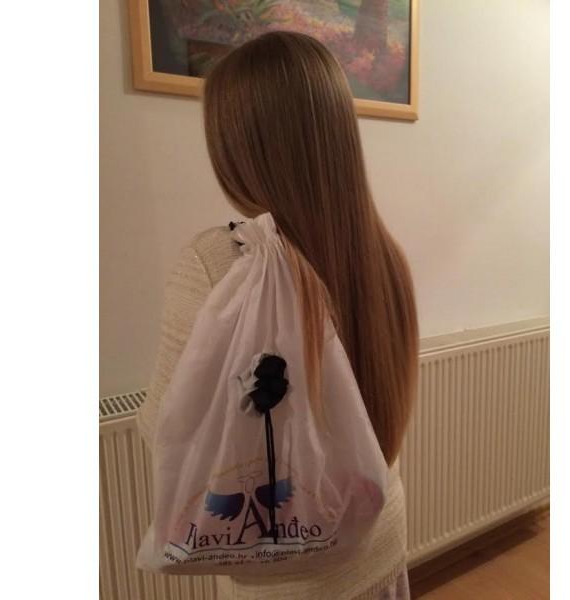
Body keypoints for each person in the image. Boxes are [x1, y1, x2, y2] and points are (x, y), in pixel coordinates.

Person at [136, 30, 419, 600]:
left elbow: (166, 427)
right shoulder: (385, 255)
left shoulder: (218, 262)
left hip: (292, 567)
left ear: (235, 148)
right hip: (379, 535)